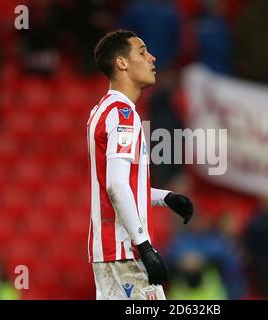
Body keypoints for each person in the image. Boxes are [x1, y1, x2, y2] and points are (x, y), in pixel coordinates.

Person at [87, 30, 194, 300]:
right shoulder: (123, 115)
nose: (152, 58)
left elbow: (117, 181)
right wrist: (144, 246)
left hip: (110, 251)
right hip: (126, 252)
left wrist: (164, 197)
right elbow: (115, 184)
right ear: (122, 63)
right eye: (143, 52)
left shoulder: (102, 110)